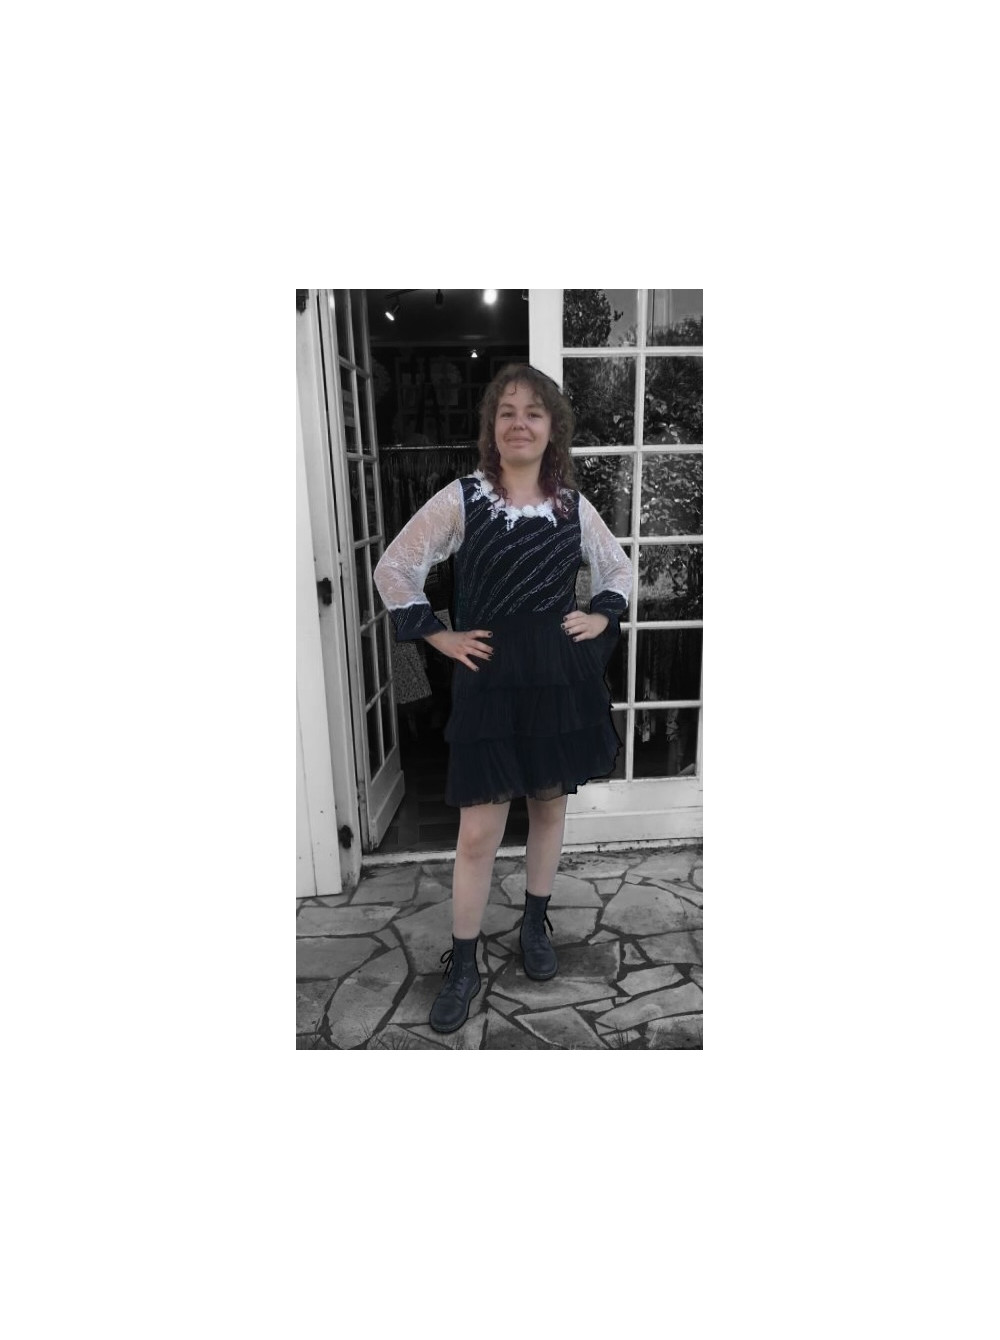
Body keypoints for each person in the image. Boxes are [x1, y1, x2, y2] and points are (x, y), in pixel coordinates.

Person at [373, 364, 632, 1034]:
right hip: (488, 681)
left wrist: (602, 613)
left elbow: (618, 567)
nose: (520, 423)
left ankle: (534, 925)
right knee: (478, 834)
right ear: (492, 426)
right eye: (507, 412)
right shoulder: (463, 499)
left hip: (555, 679)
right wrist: (438, 634)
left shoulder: (572, 506)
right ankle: (463, 963)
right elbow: (394, 567)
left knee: (548, 809)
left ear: (552, 428)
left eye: (534, 413)